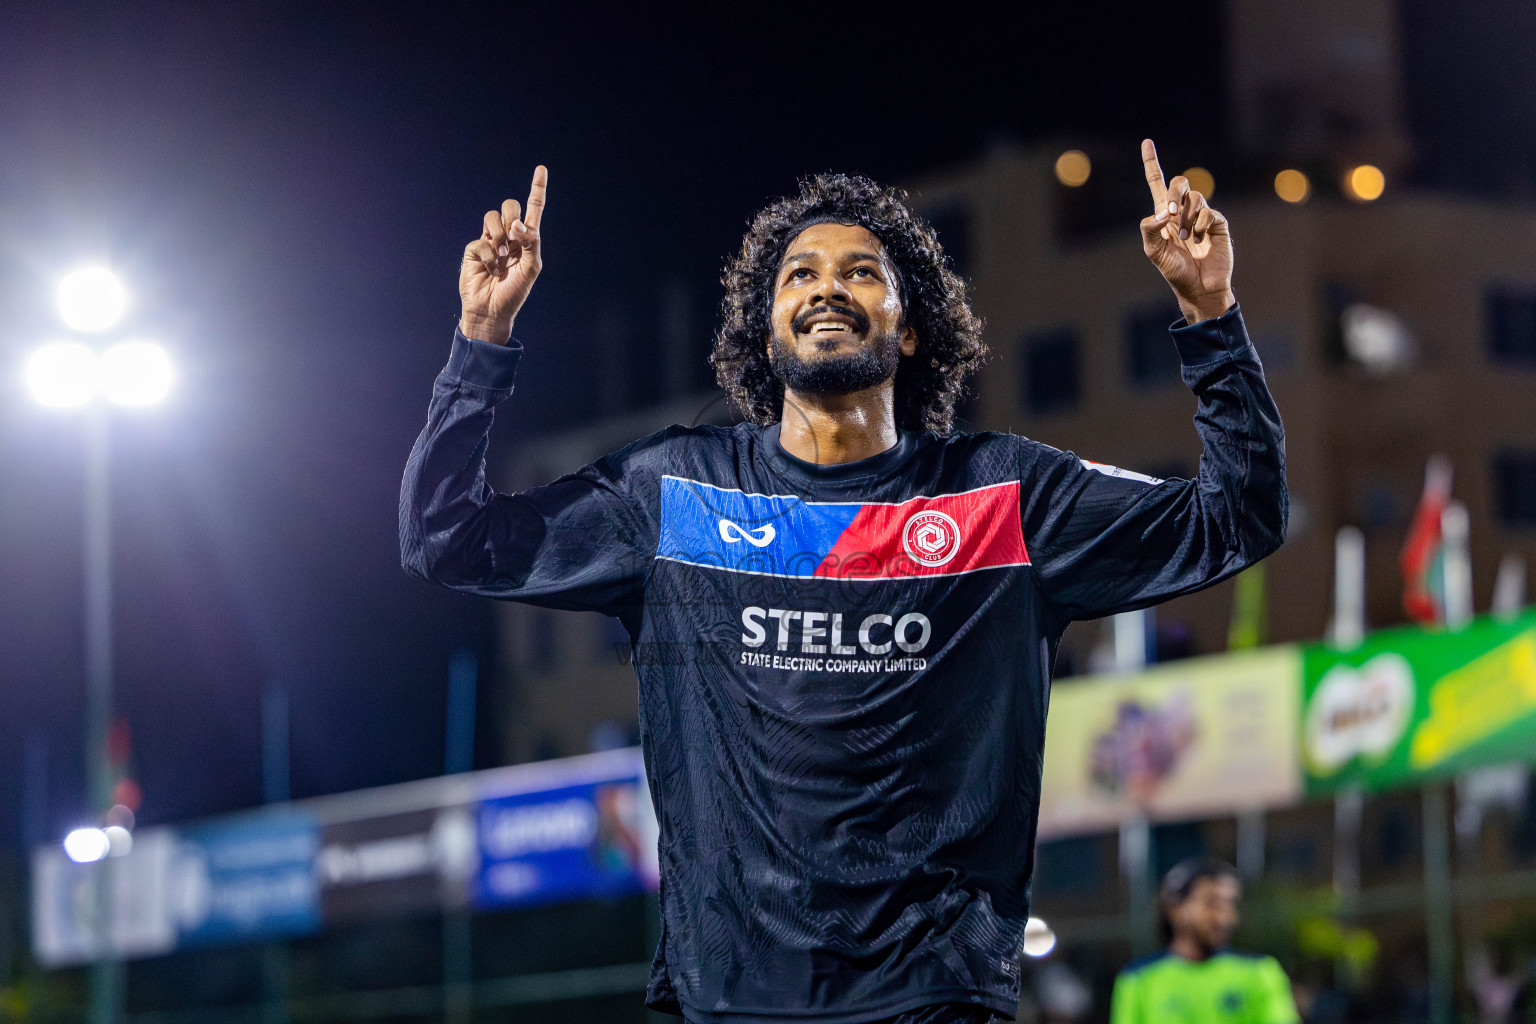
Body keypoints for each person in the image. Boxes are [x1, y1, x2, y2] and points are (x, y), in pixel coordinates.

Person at [400, 141, 1286, 1023]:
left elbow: (1236, 517)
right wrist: (481, 343)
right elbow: (445, 536)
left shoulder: (1004, 497)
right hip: (732, 999)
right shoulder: (673, 495)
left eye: (861, 272)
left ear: (908, 325)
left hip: (934, 995)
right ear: (768, 326)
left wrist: (1209, 313)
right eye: (798, 275)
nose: (826, 287)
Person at [1111, 859, 1297, 1024]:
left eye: (1230, 904)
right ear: (1176, 910)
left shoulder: (1261, 972)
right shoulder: (1137, 979)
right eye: (1212, 904)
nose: (1224, 918)